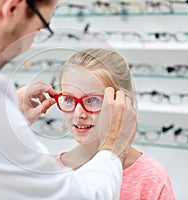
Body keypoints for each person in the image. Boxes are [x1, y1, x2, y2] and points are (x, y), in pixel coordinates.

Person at [0, 0, 137, 199]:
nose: (29, 44)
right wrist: (114, 144)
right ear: (12, 7)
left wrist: (4, 122)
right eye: (40, 28)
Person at [55, 49, 175, 200]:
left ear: (124, 103)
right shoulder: (50, 170)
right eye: (69, 99)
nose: (79, 114)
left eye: (92, 100)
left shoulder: (150, 177)